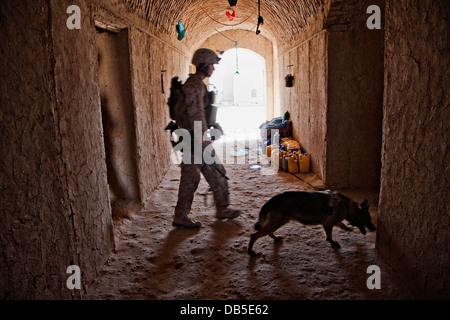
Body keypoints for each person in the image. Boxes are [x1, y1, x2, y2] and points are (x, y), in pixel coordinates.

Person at [172, 48, 242, 228]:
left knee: (190, 178)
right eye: (212, 65)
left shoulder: (195, 83)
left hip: (188, 138)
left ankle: (181, 215)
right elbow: (195, 114)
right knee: (217, 171)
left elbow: (199, 113)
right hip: (195, 139)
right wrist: (204, 138)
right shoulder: (194, 85)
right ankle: (223, 208)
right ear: (204, 66)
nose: (214, 68)